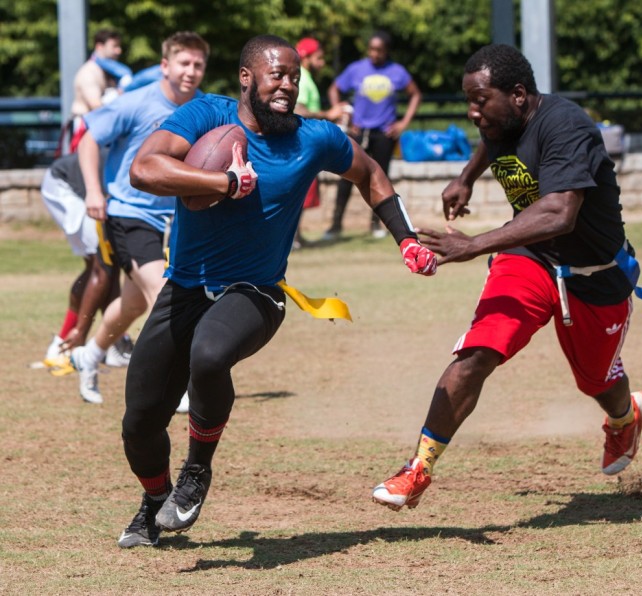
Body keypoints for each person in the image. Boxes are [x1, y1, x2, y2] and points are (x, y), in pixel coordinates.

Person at [115, 34, 437, 549]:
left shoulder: (315, 137)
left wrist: (407, 240)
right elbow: (144, 168)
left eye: (293, 76)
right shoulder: (205, 116)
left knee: (210, 353)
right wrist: (223, 182)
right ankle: (155, 502)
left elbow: (371, 171)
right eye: (276, 75)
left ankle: (196, 472)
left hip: (258, 292)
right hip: (187, 287)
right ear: (247, 78)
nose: (287, 85)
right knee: (139, 423)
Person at [372, 44, 642, 512]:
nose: (472, 113)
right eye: (469, 101)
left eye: (480, 100)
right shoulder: (504, 120)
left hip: (595, 275)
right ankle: (418, 468)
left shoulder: (567, 127)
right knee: (478, 350)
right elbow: (495, 139)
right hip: (527, 258)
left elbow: (559, 213)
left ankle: (626, 417)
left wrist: (473, 244)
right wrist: (466, 177)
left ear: (520, 95)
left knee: (596, 382)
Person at [69, 31, 209, 407]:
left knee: (132, 303)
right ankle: (174, 385)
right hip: (129, 215)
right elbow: (87, 139)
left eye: (198, 64)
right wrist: (95, 192)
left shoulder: (203, 110)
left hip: (175, 220)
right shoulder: (136, 102)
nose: (191, 71)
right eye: (184, 62)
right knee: (165, 295)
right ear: (165, 65)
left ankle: (90, 355)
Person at [324, 30, 422, 239]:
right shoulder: (356, 69)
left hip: (384, 134)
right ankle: (336, 224)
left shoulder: (397, 71)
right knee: (346, 176)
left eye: (379, 50)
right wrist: (341, 112)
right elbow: (334, 89)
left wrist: (403, 123)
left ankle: (376, 224)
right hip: (358, 131)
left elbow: (415, 95)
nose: (374, 54)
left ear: (386, 51)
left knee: (380, 178)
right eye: (371, 49)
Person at [40, 151, 130, 369]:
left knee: (107, 265)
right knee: (101, 265)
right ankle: (69, 342)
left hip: (81, 188)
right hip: (65, 186)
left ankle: (114, 342)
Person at [292, 37, 349, 248]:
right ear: (305, 57)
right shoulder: (302, 79)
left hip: (306, 145)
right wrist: (329, 113)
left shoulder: (304, 77)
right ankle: (292, 239)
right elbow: (298, 110)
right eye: (319, 57)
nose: (322, 62)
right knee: (298, 193)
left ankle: (296, 236)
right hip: (300, 146)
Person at [69, 29, 124, 153]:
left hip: (101, 132)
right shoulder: (89, 72)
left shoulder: (110, 72)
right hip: (85, 132)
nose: (118, 50)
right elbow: (96, 107)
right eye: (114, 46)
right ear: (99, 46)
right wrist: (118, 94)